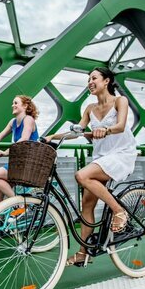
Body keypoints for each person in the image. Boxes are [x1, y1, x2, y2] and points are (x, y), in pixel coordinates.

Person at [45, 67, 137, 267]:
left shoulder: (120, 101)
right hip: (101, 157)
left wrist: (106, 129)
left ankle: (119, 211)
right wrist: (52, 136)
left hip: (121, 154)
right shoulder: (89, 108)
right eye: (88, 80)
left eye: (94, 78)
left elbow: (121, 126)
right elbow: (78, 131)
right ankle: (83, 253)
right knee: (87, 204)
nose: (90, 82)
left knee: (82, 175)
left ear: (106, 81)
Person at [0, 95, 39, 205]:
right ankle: (2, 217)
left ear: (25, 106)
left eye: (16, 103)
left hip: (27, 163)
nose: (13, 105)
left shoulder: (28, 119)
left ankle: (21, 204)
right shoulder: (13, 122)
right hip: (17, 163)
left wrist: (4, 153)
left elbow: (24, 140)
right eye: (13, 103)